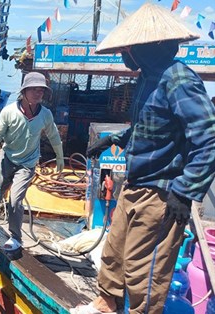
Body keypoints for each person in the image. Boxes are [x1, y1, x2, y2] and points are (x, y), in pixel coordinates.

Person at [71, 3, 215, 313]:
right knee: (114, 254)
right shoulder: (147, 79)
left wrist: (185, 190)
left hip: (162, 193)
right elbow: (148, 128)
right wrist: (115, 139)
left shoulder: (179, 80)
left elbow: (209, 139)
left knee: (144, 270)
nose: (125, 55)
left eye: (129, 48)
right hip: (136, 183)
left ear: (148, 47)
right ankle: (105, 304)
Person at [0, 72, 65, 251]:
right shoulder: (9, 111)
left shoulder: (45, 115)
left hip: (27, 163)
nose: (38, 93)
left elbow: (54, 137)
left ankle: (16, 237)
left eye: (41, 90)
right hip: (7, 157)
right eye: (34, 89)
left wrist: (60, 156)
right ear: (24, 91)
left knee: (16, 200)